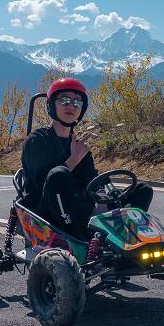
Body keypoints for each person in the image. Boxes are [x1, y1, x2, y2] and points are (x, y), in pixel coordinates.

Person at [20, 78, 153, 238]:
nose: (71, 106)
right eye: (65, 100)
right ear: (52, 105)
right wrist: (74, 159)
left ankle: (122, 236)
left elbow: (92, 180)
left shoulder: (79, 145)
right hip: (47, 216)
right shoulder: (37, 140)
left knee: (143, 190)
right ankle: (80, 240)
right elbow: (47, 185)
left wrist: (105, 201)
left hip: (80, 210)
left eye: (77, 102)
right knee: (59, 174)